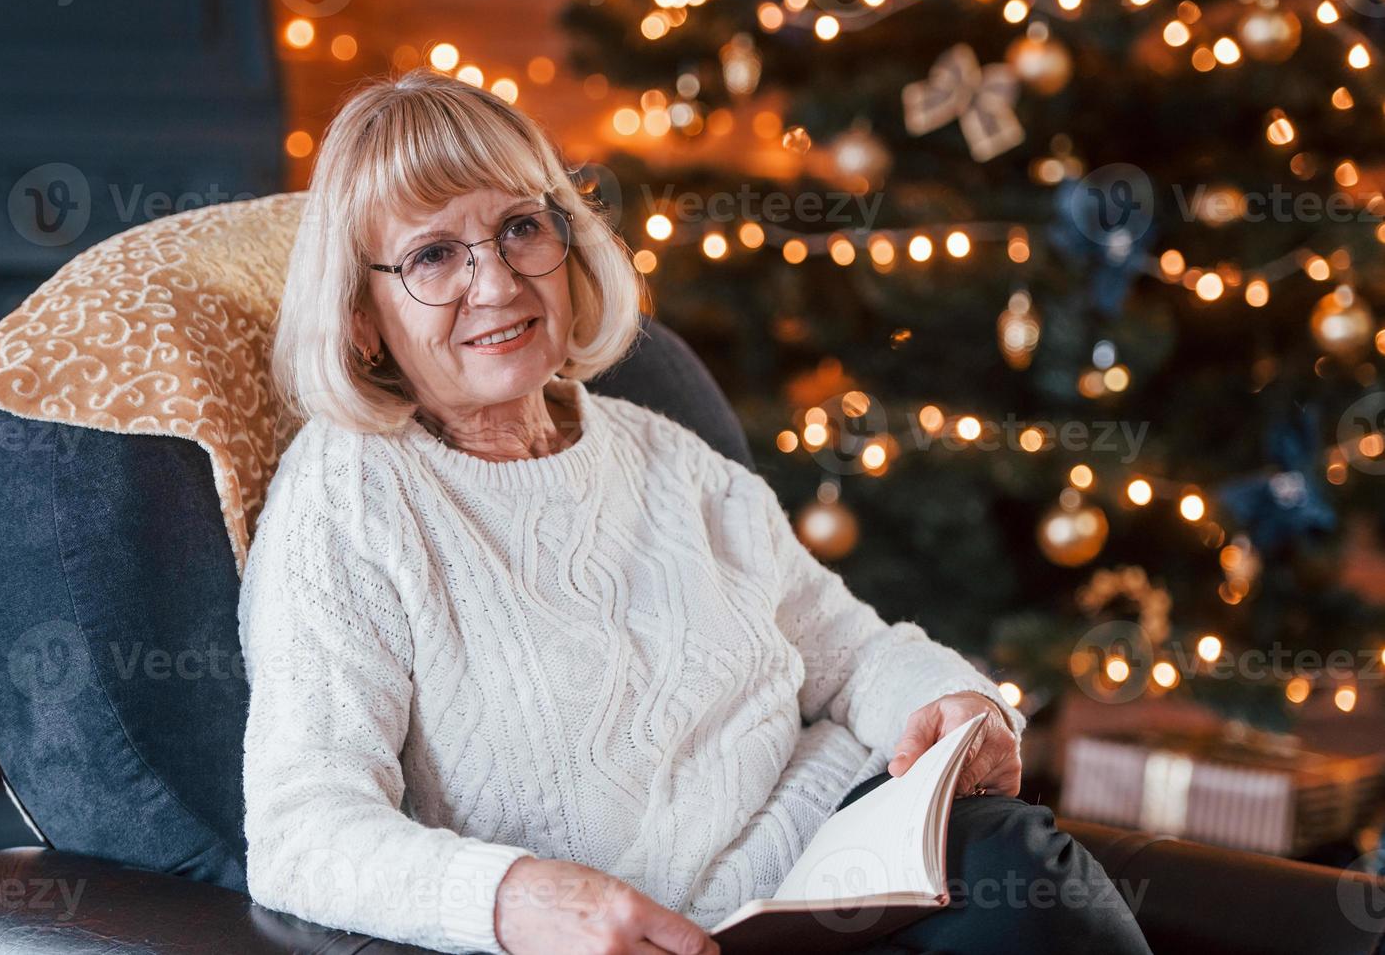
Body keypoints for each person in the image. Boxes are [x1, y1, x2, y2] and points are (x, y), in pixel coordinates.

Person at [238, 69, 1151, 955]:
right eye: (435, 255)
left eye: (522, 227)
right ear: (363, 315)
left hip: (843, 860)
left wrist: (949, 700)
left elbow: (851, 651)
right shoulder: (349, 497)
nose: (498, 284)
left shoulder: (662, 452)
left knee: (1023, 875)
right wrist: (518, 899)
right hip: (678, 934)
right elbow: (301, 829)